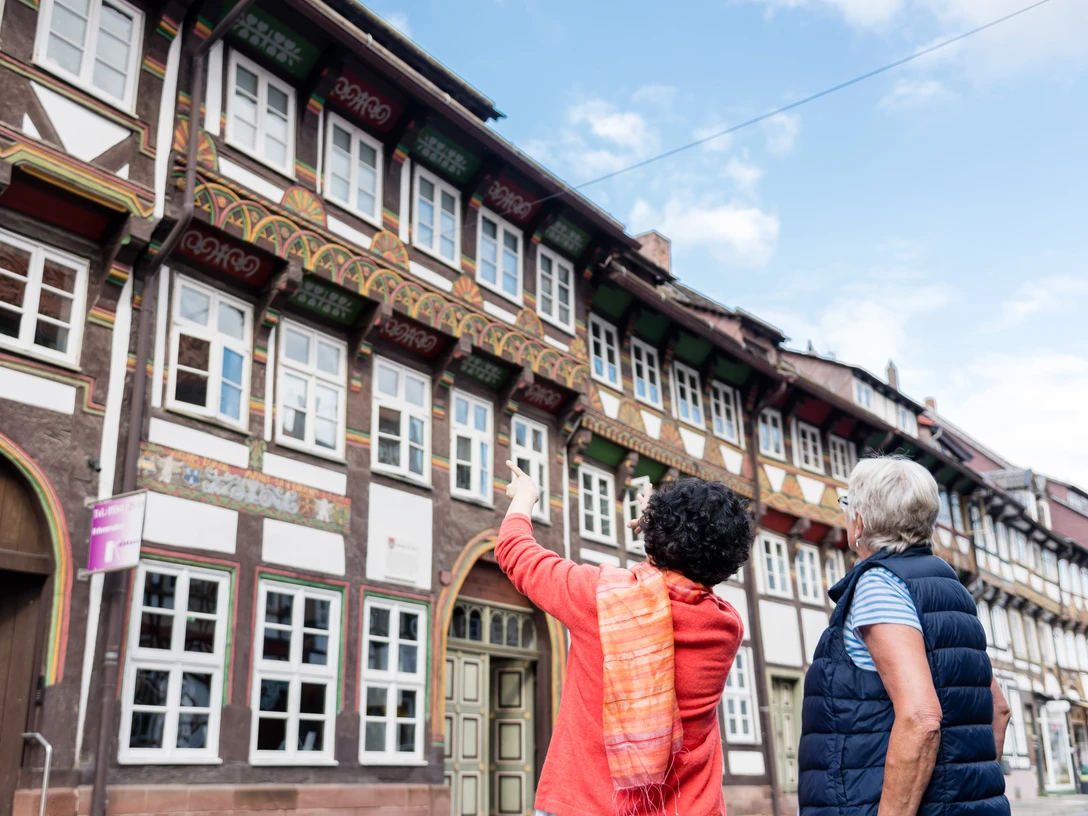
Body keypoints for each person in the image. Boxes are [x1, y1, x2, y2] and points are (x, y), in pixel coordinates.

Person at [497, 462, 753, 816]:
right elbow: (672, 593)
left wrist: (524, 499)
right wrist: (658, 537)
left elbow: (516, 552)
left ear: (658, 540)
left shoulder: (600, 599)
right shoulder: (726, 627)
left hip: (586, 804)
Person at [798, 455, 1012, 816]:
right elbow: (1000, 709)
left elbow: (921, 718)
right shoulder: (948, 587)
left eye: (847, 506)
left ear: (859, 522)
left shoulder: (879, 587)